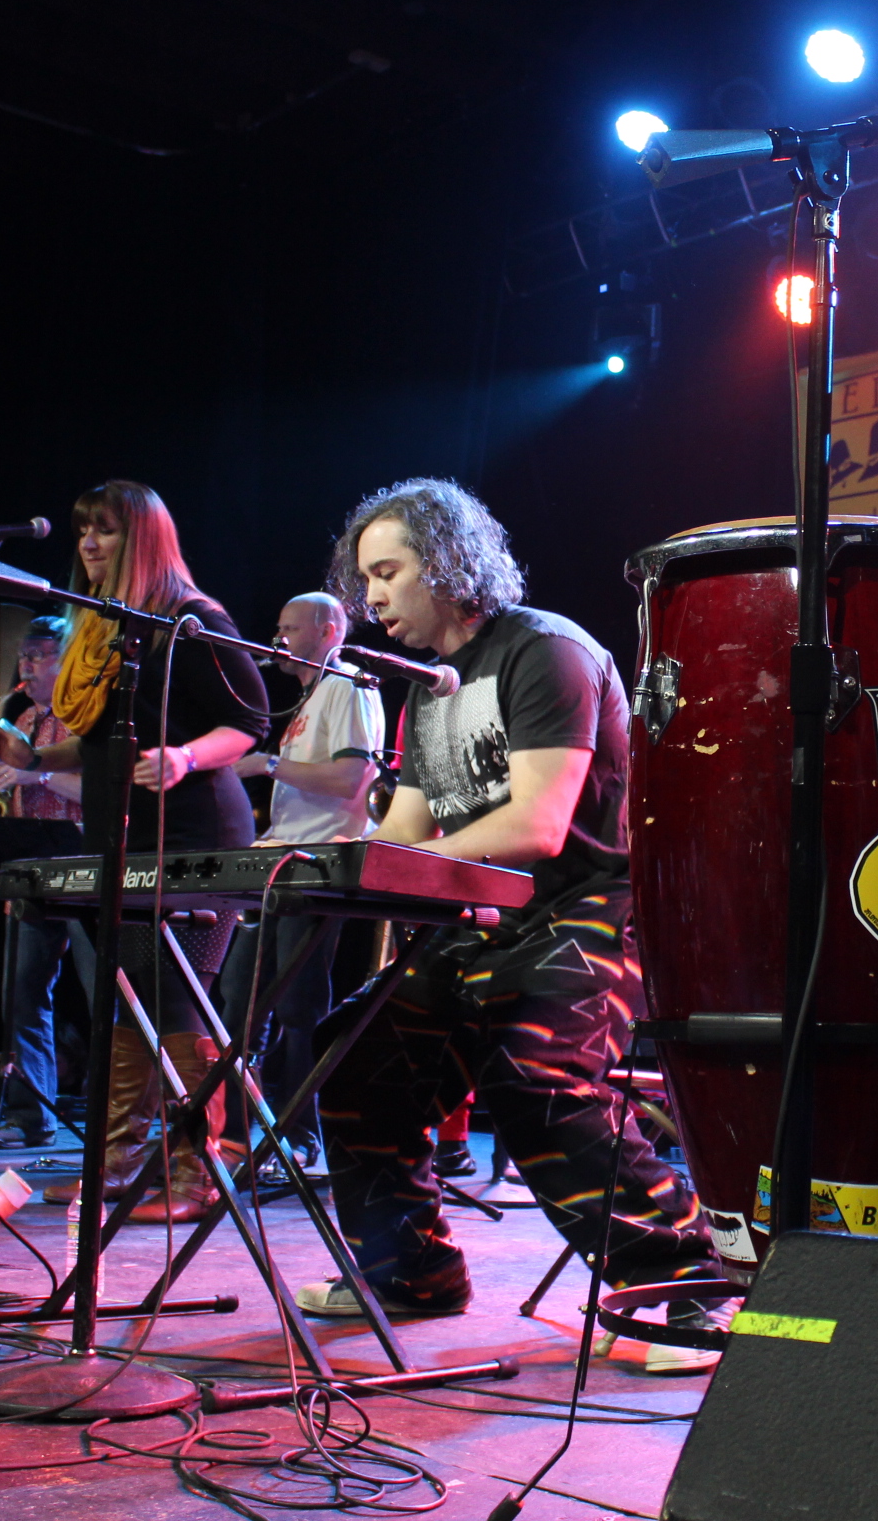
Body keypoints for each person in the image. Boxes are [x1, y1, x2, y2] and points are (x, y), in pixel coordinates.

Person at [300, 478, 721, 1373]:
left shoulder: (545, 651)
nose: (371, 597)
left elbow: (537, 825)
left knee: (536, 1073)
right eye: (364, 578)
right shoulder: (431, 691)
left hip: (592, 911)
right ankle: (412, 1271)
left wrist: (397, 860)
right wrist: (318, 865)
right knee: (356, 1058)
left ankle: (683, 1288)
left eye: (388, 573)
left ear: (447, 565)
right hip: (486, 919)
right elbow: (404, 834)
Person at [0, 480, 267, 1220]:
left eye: (105, 530)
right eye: (83, 530)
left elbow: (250, 721)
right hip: (124, 834)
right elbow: (103, 746)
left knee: (176, 996)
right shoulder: (106, 628)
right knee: (132, 995)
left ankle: (202, 1170)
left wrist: (185, 756)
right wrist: (34, 757)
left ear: (142, 538)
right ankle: (119, 1158)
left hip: (195, 832)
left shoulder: (192, 620)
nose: (88, 544)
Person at [219, 593, 383, 1156]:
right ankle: (236, 1132)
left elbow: (351, 779)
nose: (279, 638)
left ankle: (301, 1134)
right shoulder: (310, 696)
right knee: (240, 999)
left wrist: (267, 763)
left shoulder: (350, 685)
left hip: (319, 860)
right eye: (279, 626)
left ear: (329, 630)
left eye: (291, 627)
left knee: (297, 1004)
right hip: (281, 854)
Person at [0, 615, 84, 1145]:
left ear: (66, 660)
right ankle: (32, 1117)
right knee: (23, 994)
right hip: (31, 868)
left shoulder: (86, 715)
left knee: (106, 994)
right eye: (23, 656)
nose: (25, 666)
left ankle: (122, 1117)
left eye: (37, 655)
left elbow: (101, 791)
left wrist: (37, 773)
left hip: (85, 863)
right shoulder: (23, 718)